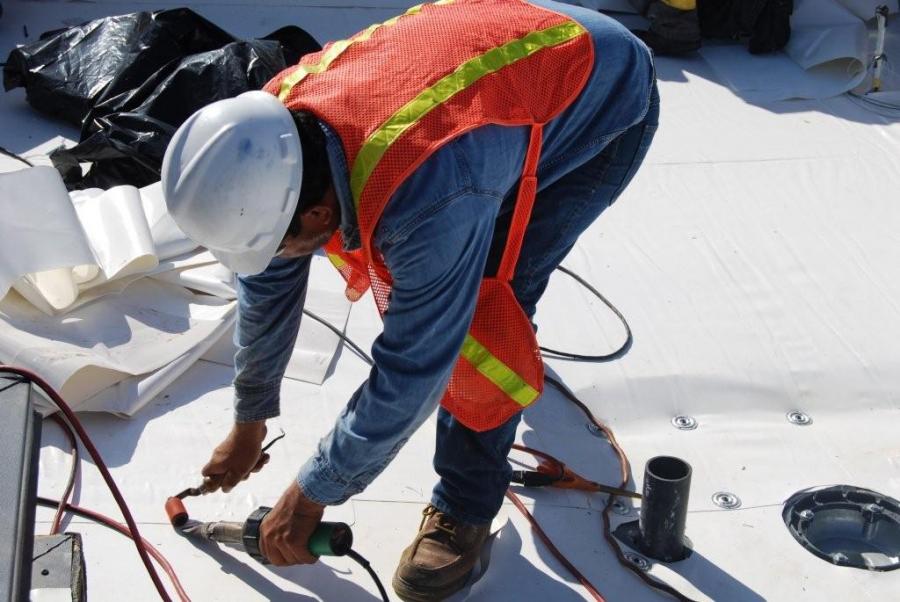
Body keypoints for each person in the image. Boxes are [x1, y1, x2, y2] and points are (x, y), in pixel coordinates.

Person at [162, 0, 657, 599]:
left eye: (282, 245)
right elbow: (267, 283)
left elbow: (417, 367)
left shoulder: (431, 201)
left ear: (318, 212)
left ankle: (466, 505)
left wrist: (313, 490)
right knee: (454, 274)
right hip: (510, 62)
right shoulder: (274, 134)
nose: (275, 262)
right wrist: (251, 416)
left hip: (600, 89)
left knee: (485, 319)